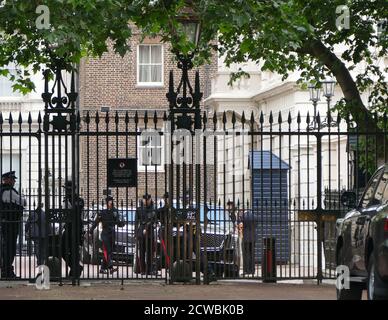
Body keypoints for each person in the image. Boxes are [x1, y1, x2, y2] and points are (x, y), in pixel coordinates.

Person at [0, 171, 26, 279]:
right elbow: (23, 202)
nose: (14, 181)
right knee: (10, 248)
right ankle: (7, 272)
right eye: (12, 179)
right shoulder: (8, 191)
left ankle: (6, 271)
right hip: (10, 224)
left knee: (7, 248)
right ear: (6, 179)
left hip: (6, 222)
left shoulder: (3, 190)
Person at [90, 196, 124, 274]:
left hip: (112, 233)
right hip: (105, 233)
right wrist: (91, 231)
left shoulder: (115, 211)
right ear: (106, 202)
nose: (110, 202)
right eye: (109, 201)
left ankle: (102, 269)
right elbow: (96, 222)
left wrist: (122, 223)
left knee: (110, 251)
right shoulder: (103, 212)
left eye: (111, 201)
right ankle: (111, 267)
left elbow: (118, 222)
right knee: (106, 250)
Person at [62, 180, 84, 278]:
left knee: (63, 249)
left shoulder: (68, 201)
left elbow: (67, 214)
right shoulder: (80, 200)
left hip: (71, 228)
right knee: (73, 251)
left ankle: (75, 269)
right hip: (77, 228)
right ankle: (75, 269)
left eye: (66, 189)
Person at [135, 193, 157, 275]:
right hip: (141, 232)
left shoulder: (153, 209)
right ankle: (142, 270)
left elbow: (154, 221)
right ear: (143, 200)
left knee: (150, 252)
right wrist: (136, 234)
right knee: (142, 252)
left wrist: (151, 225)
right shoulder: (139, 209)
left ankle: (149, 270)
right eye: (145, 199)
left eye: (148, 199)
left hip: (150, 232)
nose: (147, 201)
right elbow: (136, 222)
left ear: (150, 199)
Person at [238, 209, 257, 275]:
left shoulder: (242, 217)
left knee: (245, 254)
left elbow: (240, 226)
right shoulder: (254, 216)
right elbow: (256, 226)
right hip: (253, 238)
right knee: (252, 254)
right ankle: (252, 270)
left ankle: (246, 270)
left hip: (245, 238)